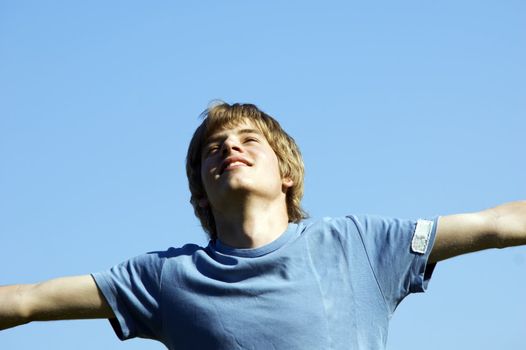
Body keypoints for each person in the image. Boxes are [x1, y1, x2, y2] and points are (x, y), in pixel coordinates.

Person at [1, 102, 525, 349]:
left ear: (287, 174)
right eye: (213, 148)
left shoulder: (359, 245)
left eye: (249, 141)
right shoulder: (164, 277)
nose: (229, 147)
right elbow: (27, 301)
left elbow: (497, 225)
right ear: (200, 192)